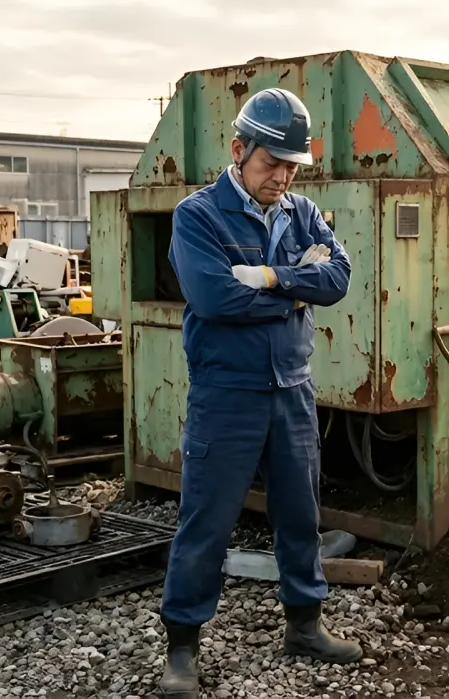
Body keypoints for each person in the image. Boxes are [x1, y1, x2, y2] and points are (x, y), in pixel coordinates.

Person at [157, 87, 358, 698]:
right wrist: (297, 294)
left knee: (300, 515)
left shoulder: (302, 212)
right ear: (239, 149)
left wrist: (271, 277)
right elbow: (214, 298)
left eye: (292, 166)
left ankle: (305, 627)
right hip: (227, 394)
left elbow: (338, 278)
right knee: (206, 521)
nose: (282, 177)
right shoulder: (198, 216)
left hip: (292, 390)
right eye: (272, 162)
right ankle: (182, 649)